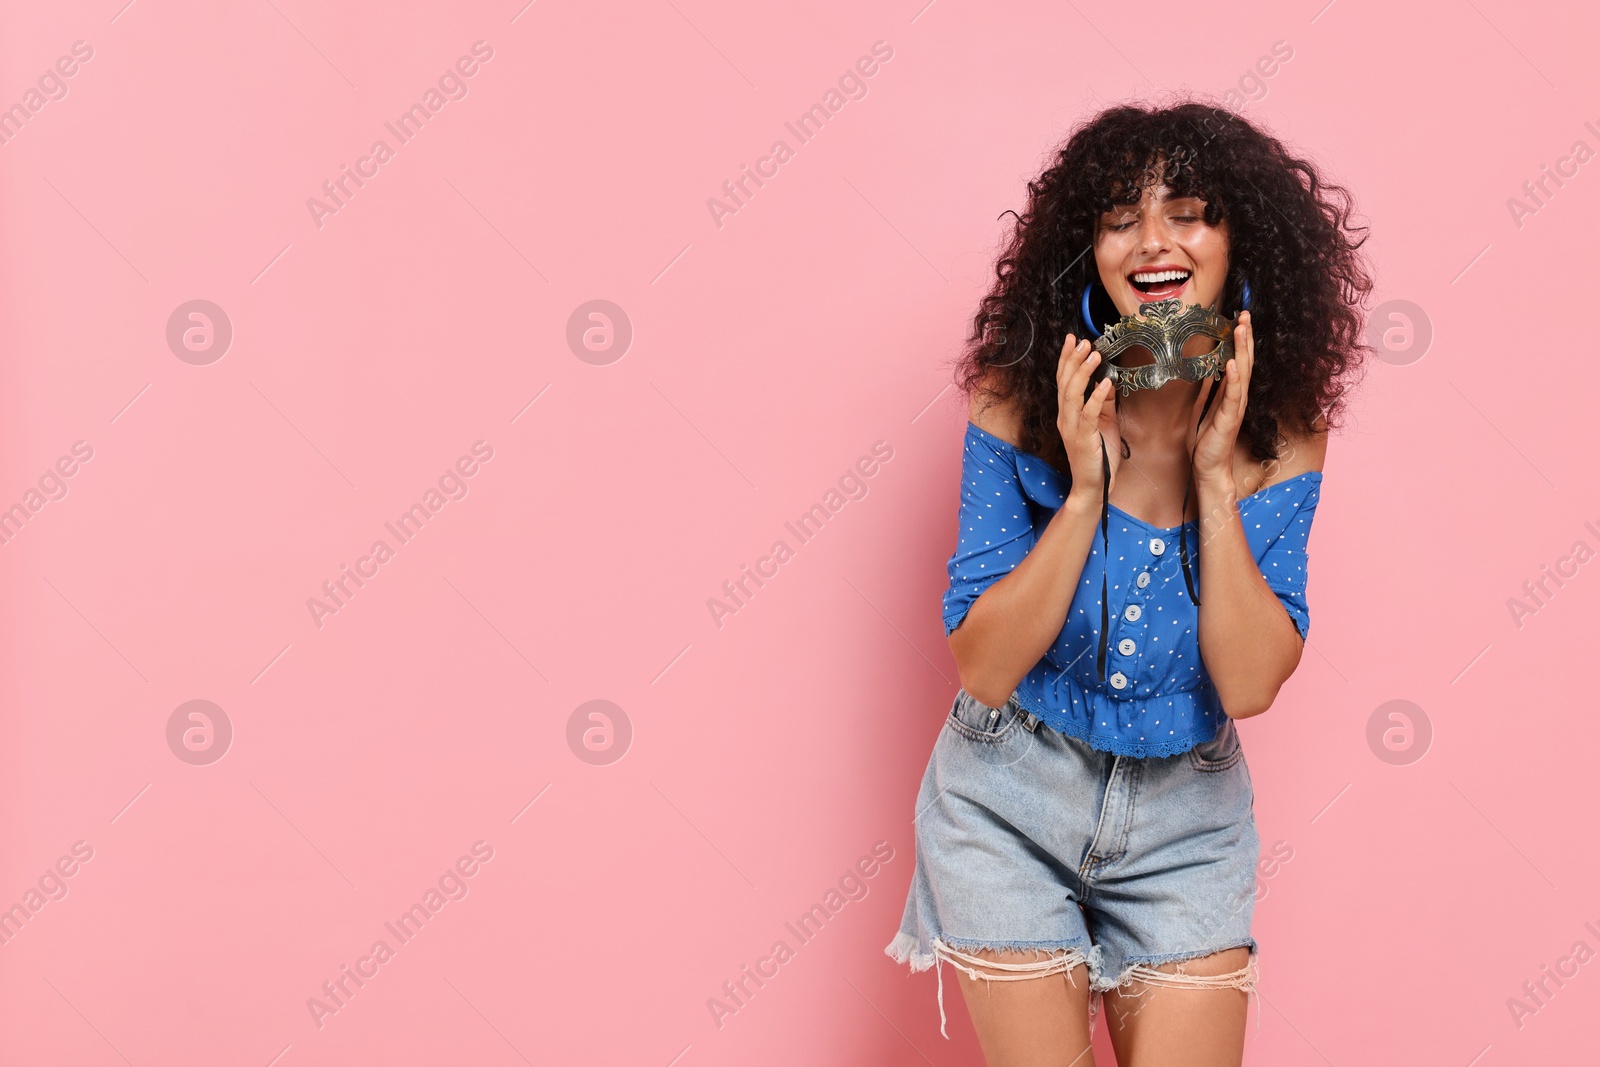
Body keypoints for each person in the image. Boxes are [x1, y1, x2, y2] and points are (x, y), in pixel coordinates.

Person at [884, 101, 1373, 1067]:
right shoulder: (1017, 396)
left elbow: (1249, 684)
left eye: (1189, 211)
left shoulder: (1282, 431)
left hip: (1187, 823)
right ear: (1087, 254)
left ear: (1242, 243)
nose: (1153, 240)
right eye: (1119, 218)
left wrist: (1215, 483)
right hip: (1005, 797)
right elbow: (982, 663)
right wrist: (1085, 492)